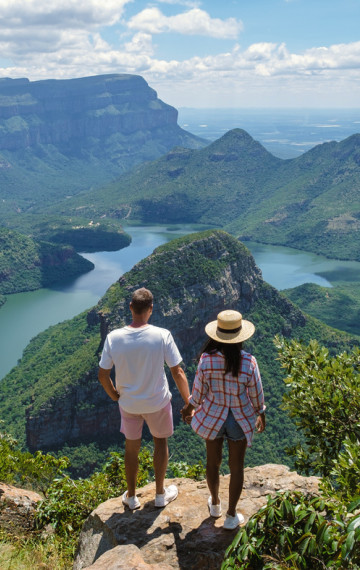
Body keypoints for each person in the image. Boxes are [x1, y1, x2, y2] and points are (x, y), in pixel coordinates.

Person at [98, 287, 191, 510]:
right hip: (157, 402)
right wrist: (189, 402)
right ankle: (160, 495)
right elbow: (177, 372)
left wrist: (114, 396)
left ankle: (131, 497)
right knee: (160, 443)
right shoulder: (162, 335)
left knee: (131, 449)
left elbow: (103, 375)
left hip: (128, 404)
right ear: (151, 309)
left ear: (131, 307)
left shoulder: (113, 338)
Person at [181, 309, 266, 530]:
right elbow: (256, 395)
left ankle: (216, 504)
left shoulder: (206, 360)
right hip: (239, 419)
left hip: (212, 417)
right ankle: (230, 515)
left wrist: (188, 409)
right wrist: (261, 414)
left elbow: (198, 394)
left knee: (213, 462)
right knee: (236, 467)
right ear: (240, 337)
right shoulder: (249, 361)